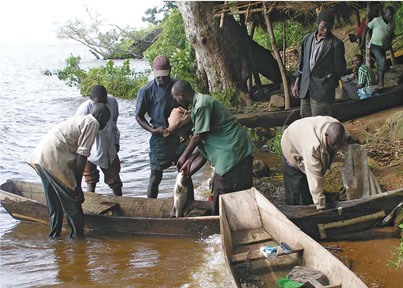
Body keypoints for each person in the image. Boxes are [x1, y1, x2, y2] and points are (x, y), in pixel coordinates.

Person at [171, 80, 254, 215]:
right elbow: (202, 152)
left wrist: (184, 156)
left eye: (176, 98)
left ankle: (219, 223)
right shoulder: (198, 110)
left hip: (233, 152)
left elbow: (197, 137)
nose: (176, 101)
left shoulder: (202, 105)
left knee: (222, 188)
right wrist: (188, 169)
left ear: (181, 95)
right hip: (235, 151)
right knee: (229, 188)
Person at [29, 104, 111, 238]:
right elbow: (82, 155)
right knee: (74, 203)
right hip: (54, 160)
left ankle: (54, 237)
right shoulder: (93, 123)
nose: (105, 125)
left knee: (54, 203)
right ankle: (79, 242)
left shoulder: (81, 119)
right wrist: (77, 186)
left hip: (40, 157)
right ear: (100, 116)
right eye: (106, 121)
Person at [281, 116, 358, 211]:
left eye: (339, 144)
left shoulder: (335, 125)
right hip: (291, 145)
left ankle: (313, 199)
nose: (336, 147)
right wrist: (321, 207)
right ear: (326, 135)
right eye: (334, 144)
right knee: (297, 192)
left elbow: (341, 136)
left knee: (310, 186)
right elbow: (315, 177)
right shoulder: (312, 148)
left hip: (304, 132)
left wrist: (349, 139)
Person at [136, 55, 183, 198]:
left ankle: (186, 203)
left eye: (164, 75)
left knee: (184, 171)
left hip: (180, 136)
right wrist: (153, 130)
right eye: (158, 76)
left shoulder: (178, 86)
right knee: (156, 175)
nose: (161, 79)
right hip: (159, 138)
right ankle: (150, 206)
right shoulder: (146, 91)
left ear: (170, 71)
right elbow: (139, 116)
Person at [292, 9, 346, 117]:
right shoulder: (307, 39)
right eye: (323, 27)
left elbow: (340, 69)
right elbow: (302, 64)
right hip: (305, 89)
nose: (326, 30)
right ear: (317, 24)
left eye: (329, 27)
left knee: (321, 124)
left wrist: (328, 85)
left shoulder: (336, 44)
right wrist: (297, 83)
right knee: (306, 122)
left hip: (323, 93)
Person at [75, 85, 122, 196]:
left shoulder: (112, 102)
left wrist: (116, 141)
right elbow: (78, 133)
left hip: (109, 146)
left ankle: (120, 203)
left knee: (115, 179)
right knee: (90, 178)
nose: (102, 104)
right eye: (98, 102)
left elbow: (114, 123)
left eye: (104, 101)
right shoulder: (84, 109)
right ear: (91, 99)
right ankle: (91, 200)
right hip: (89, 149)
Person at [360, 6, 395, 89]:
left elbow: (392, 34)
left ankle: (379, 81)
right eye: (389, 15)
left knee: (381, 65)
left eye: (392, 15)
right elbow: (366, 28)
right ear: (385, 13)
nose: (390, 17)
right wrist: (362, 42)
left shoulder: (392, 22)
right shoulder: (377, 20)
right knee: (382, 61)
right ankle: (380, 82)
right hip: (374, 46)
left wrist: (389, 43)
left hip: (383, 47)